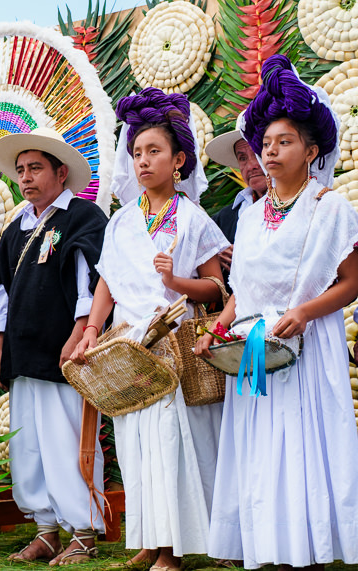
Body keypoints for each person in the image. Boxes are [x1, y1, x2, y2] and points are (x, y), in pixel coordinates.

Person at [195, 54, 358, 571]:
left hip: (308, 345)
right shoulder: (249, 217)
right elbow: (240, 289)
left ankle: (308, 551)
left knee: (302, 445)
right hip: (255, 349)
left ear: (312, 150)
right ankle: (271, 551)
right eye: (265, 144)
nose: (269, 151)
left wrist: (305, 312)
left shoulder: (330, 207)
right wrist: (216, 330)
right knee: (262, 451)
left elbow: (352, 282)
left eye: (283, 142)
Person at [71, 88, 229, 571]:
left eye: (154, 151)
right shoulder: (120, 221)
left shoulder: (193, 217)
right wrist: (92, 331)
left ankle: (173, 549)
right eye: (136, 152)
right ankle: (150, 536)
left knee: (171, 445)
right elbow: (107, 282)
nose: (143, 161)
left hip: (173, 344)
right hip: (128, 345)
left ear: (179, 159)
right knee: (136, 444)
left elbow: (216, 287)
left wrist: (174, 281)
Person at [0, 127, 108, 566]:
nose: (26, 178)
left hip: (64, 350)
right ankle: (46, 529)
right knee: (31, 445)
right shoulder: (18, 225)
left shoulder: (82, 217)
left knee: (67, 440)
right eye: (20, 170)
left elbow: (89, 282)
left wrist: (78, 335)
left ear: (61, 173)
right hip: (23, 352)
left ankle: (84, 530)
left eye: (35, 168)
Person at [206, 127, 269, 278]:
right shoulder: (225, 218)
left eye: (256, 154)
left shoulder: (299, 205)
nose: (251, 165)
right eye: (242, 158)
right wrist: (215, 258)